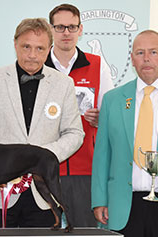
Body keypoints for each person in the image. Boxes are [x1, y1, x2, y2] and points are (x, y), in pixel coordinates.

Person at [0, 18, 84, 228]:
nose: (32, 55)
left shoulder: (64, 84)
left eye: (40, 48)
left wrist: (41, 157)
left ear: (49, 49)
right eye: (26, 47)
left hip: (43, 198)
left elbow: (75, 133)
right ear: (15, 44)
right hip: (0, 196)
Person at [91, 30, 158, 236]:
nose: (146, 58)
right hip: (123, 206)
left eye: (153, 52)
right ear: (132, 59)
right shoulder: (112, 100)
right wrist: (99, 200)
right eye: (140, 52)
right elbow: (102, 155)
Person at [44, 4, 114, 227]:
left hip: (85, 168)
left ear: (80, 29)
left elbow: (111, 116)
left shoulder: (97, 64)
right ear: (50, 29)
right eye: (60, 27)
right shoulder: (37, 65)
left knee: (84, 232)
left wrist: (100, 118)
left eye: (72, 27)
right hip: (43, 167)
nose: (66, 32)